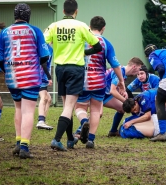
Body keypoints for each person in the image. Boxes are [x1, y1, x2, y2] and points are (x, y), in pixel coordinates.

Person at [44, 0, 106, 151]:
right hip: (76, 69)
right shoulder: (82, 26)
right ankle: (56, 139)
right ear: (76, 11)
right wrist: (84, 52)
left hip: (59, 68)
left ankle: (70, 139)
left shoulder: (54, 26)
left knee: (67, 105)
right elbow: (97, 46)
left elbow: (43, 45)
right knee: (69, 106)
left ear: (63, 11)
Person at [0, 3, 51, 159]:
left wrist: (8, 71)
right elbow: (44, 56)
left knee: (18, 109)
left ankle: (18, 143)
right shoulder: (35, 31)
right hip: (31, 77)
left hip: (12, 78)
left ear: (15, 16)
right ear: (28, 16)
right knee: (28, 111)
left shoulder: (4, 33)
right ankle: (25, 147)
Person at [73, 16, 125, 148]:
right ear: (103, 29)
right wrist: (121, 80)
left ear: (89, 27)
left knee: (80, 107)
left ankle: (84, 121)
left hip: (82, 80)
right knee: (96, 111)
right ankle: (90, 139)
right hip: (99, 82)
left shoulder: (81, 40)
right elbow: (115, 65)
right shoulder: (106, 43)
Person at [103, 57, 143, 137]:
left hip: (105, 94)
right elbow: (112, 91)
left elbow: (115, 85)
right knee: (96, 113)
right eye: (138, 70)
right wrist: (126, 101)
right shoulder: (120, 72)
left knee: (121, 109)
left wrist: (123, 91)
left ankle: (113, 131)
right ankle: (79, 131)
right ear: (134, 67)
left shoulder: (122, 71)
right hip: (99, 93)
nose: (138, 73)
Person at [36, 44, 53, 130]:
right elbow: (43, 63)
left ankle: (42, 121)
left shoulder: (50, 48)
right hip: (40, 77)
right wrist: (49, 77)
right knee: (44, 98)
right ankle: (41, 120)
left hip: (43, 77)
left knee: (49, 99)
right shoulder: (45, 47)